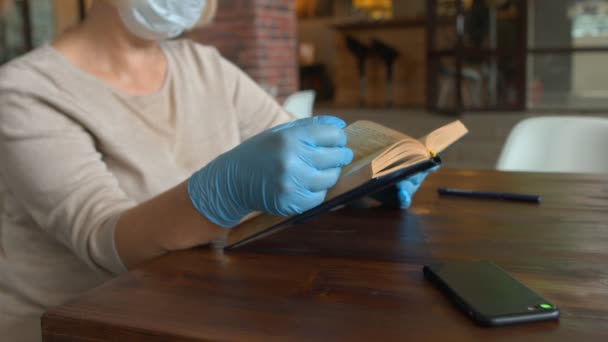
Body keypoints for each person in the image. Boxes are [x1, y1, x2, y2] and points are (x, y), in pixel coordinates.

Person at [0, 0, 433, 340]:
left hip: (191, 306)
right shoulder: (24, 93)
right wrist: (222, 194)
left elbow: (291, 140)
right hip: (75, 326)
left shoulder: (202, 65)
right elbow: (104, 241)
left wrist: (361, 175)